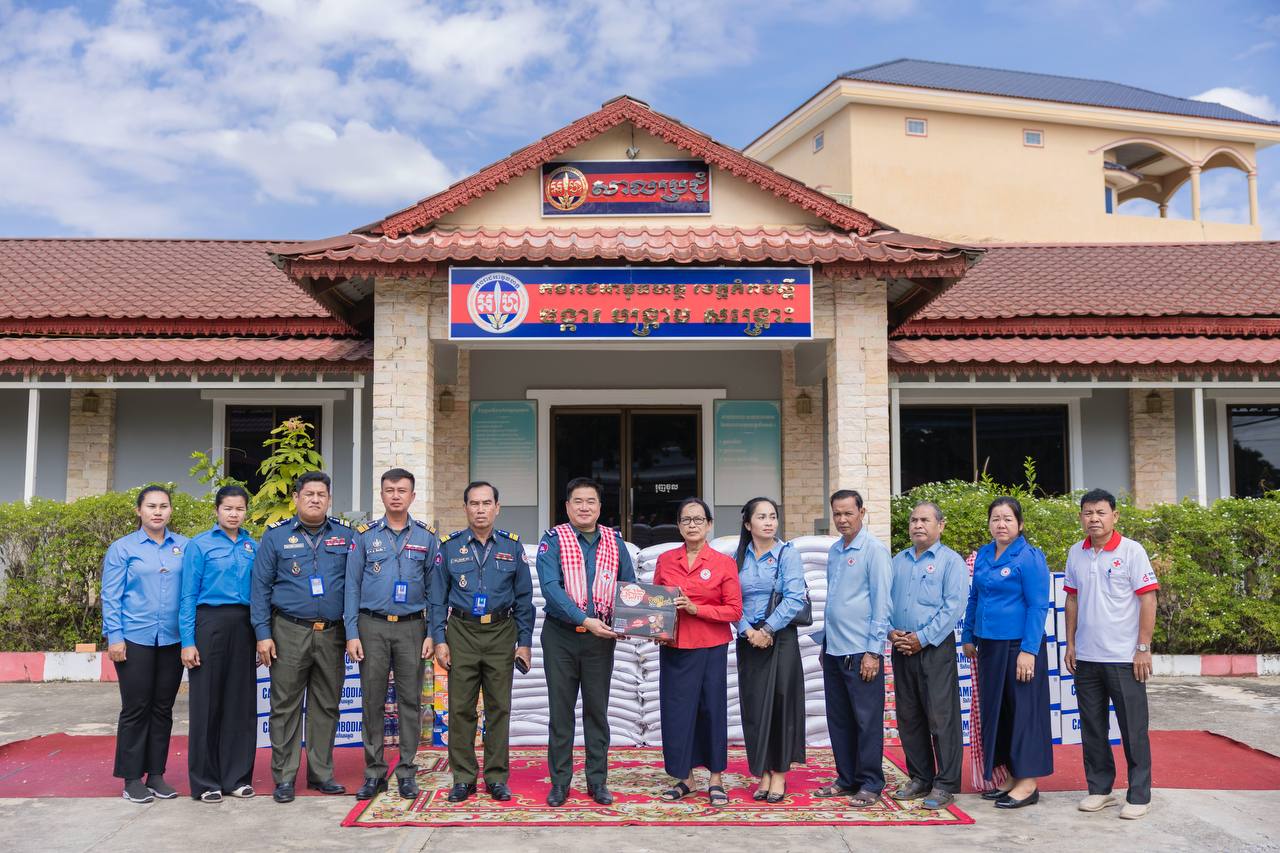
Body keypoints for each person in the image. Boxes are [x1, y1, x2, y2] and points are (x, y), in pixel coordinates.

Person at [250, 471, 352, 804]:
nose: (315, 500)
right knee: (285, 706)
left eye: (321, 494)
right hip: (289, 631)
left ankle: (321, 774)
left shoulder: (346, 535)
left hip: (332, 633)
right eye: (308, 494)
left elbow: (355, 586)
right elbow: (260, 588)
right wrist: (263, 634)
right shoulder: (276, 537)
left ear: (329, 499)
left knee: (327, 705)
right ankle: (284, 777)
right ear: (295, 498)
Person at [430, 481, 534, 803]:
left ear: (497, 508)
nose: (480, 510)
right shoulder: (449, 548)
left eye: (486, 503)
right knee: (461, 708)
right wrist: (439, 639)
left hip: (501, 632)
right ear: (465, 508)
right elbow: (437, 599)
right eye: (474, 504)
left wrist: (524, 642)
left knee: (498, 707)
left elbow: (525, 599)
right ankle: (463, 778)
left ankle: (496, 777)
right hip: (461, 632)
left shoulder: (512, 547)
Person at [536, 476, 636, 807]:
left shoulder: (614, 542)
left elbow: (629, 586)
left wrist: (628, 621)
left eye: (590, 501)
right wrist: (583, 620)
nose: (584, 507)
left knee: (597, 711)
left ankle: (597, 781)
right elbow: (550, 588)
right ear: (567, 506)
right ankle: (560, 783)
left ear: (599, 507)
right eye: (577, 501)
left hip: (599, 641)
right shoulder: (553, 540)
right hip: (561, 637)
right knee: (561, 712)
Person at [1064, 488, 1159, 820]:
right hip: (1087, 657)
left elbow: (1148, 599)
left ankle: (1139, 795)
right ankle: (1100, 789)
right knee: (1092, 728)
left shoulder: (1132, 551)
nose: (1094, 518)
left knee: (1133, 729)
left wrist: (1143, 648)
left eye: (1101, 512)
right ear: (1081, 517)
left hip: (1124, 657)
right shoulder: (1076, 553)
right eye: (1088, 513)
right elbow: (1072, 599)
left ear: (1114, 516)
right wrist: (1071, 644)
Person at [345, 468, 439, 802]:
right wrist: (351, 632)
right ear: (381, 494)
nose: (395, 495)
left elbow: (435, 590)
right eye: (389, 490)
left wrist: (433, 632)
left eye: (402, 490)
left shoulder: (427, 538)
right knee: (372, 700)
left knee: (410, 700)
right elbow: (352, 586)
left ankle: (407, 771)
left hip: (412, 627)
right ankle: (374, 772)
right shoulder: (364, 536)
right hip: (371, 625)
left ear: (412, 496)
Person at [962, 496, 1053, 809]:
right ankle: (1012, 776)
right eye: (995, 519)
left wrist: (1028, 651)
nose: (1001, 524)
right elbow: (974, 598)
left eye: (1007, 519)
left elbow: (1038, 606)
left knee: (1024, 713)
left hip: (1019, 647)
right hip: (989, 646)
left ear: (1020, 524)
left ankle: (1028, 783)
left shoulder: (1029, 557)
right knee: (999, 713)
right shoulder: (984, 554)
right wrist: (969, 635)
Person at [101, 485, 188, 804]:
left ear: (171, 510)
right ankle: (131, 779)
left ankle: (156, 775)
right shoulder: (123, 548)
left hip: (172, 639)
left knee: (163, 708)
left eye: (163, 506)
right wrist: (115, 636)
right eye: (151, 506)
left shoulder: (184, 547)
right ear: (139, 511)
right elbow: (111, 595)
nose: (158, 511)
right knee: (136, 708)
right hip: (134, 638)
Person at [654, 498, 742, 806]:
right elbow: (657, 603)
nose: (692, 525)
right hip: (675, 648)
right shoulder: (666, 560)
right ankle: (686, 778)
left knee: (711, 711)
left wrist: (696, 609)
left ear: (709, 525)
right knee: (677, 714)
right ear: (678, 525)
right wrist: (656, 629)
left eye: (698, 520)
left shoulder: (723, 563)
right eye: (686, 520)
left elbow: (734, 610)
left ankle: (716, 778)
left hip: (710, 647)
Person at [813, 489, 892, 809]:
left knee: (866, 720)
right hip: (834, 649)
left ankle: (871, 782)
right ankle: (846, 778)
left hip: (861, 652)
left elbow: (882, 603)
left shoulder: (874, 550)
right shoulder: (835, 551)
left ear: (862, 512)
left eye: (848, 513)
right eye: (837, 514)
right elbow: (834, 601)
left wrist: (874, 651)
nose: (842, 519)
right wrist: (826, 643)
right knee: (840, 719)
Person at [180, 484, 258, 803]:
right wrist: (188, 641)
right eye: (228, 508)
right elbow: (187, 596)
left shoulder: (253, 545)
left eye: (240, 509)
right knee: (207, 704)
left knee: (240, 704)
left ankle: (236, 777)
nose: (234, 514)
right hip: (209, 623)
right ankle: (205, 781)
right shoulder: (199, 545)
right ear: (217, 510)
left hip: (244, 625)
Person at [887, 501, 967, 810]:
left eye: (925, 520)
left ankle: (945, 784)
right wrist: (891, 632)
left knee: (940, 717)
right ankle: (920, 777)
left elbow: (953, 607)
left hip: (934, 648)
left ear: (940, 525)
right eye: (913, 520)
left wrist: (922, 638)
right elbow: (885, 602)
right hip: (901, 646)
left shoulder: (951, 562)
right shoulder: (898, 561)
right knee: (909, 717)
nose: (918, 525)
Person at [733, 496, 806, 804]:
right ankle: (762, 770)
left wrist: (767, 630)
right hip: (748, 640)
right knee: (754, 708)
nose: (768, 522)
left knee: (780, 705)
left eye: (772, 516)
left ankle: (778, 773)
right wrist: (748, 630)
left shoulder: (788, 554)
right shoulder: (737, 557)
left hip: (780, 638)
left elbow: (794, 598)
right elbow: (730, 600)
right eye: (761, 517)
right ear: (748, 524)